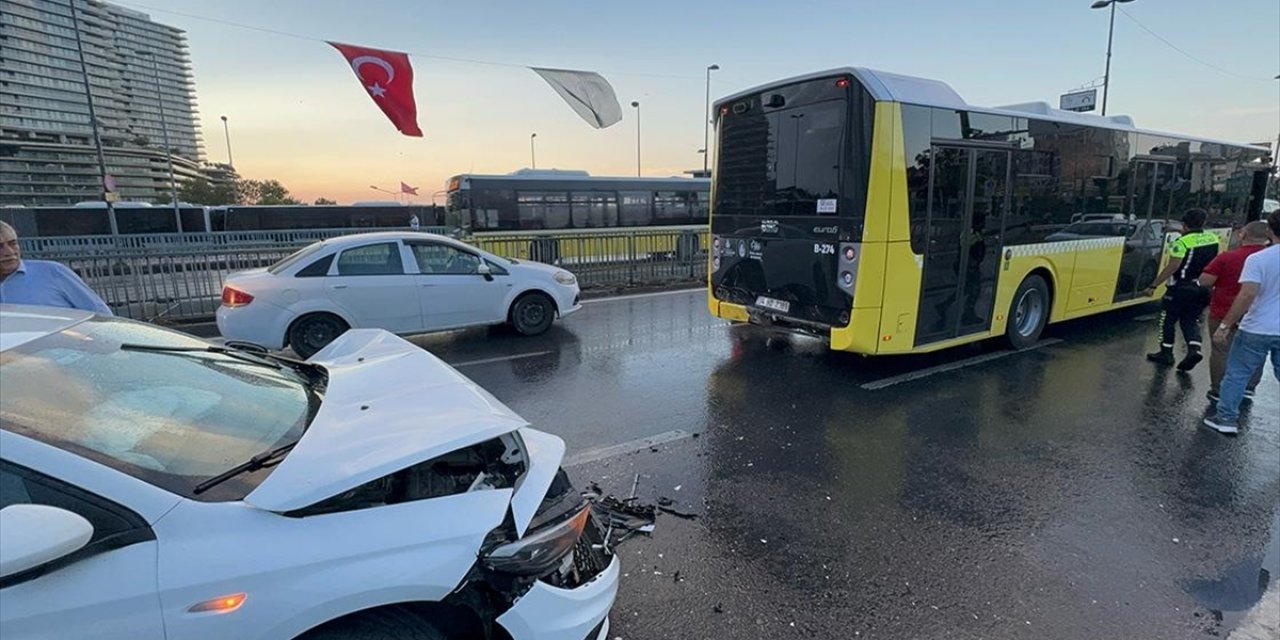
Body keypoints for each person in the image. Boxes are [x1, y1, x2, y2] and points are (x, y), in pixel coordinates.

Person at [1203, 210, 1280, 435]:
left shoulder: (1258, 259)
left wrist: (1226, 325)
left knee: (1237, 373)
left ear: (1269, 230)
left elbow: (1247, 295)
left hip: (1257, 327)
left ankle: (1226, 419)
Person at [1197, 220, 1270, 401]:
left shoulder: (1227, 257)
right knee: (1254, 352)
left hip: (1223, 311)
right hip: (1258, 316)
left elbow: (1205, 280)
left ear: (1243, 235)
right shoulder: (1271, 259)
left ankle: (1218, 389)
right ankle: (1248, 387)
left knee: (1220, 351)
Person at [1144, 208, 1219, 371]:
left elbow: (1173, 266)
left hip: (1180, 288)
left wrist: (1153, 285)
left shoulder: (1180, 243)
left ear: (1184, 224)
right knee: (1190, 320)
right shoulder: (1212, 238)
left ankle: (1166, 353)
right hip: (1203, 288)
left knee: (1167, 319)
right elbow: (1196, 240)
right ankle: (1194, 349)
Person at [0, 220, 112, 315]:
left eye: (13, 244)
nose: (9, 252)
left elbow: (100, 314)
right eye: (0, 247)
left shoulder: (53, 272)